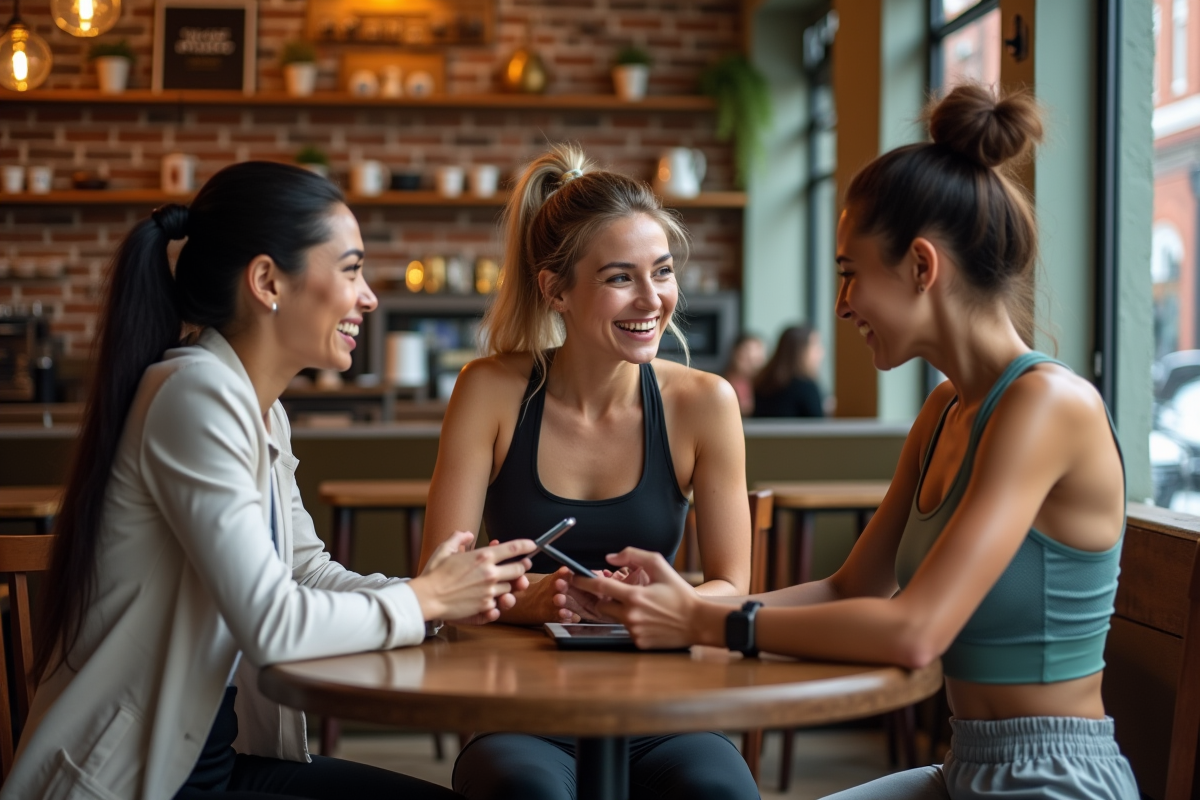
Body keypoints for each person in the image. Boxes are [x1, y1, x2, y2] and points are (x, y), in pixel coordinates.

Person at [572, 85, 1138, 800]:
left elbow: (915, 632)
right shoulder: (941, 412)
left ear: (922, 267)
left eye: (850, 274)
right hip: (966, 768)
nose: (841, 305)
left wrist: (706, 620)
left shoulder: (1046, 404)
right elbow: (851, 586)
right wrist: (685, 604)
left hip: (1052, 779)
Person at [3, 162, 536, 800]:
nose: (368, 296)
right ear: (267, 281)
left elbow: (304, 573)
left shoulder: (259, 410)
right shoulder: (194, 395)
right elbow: (272, 624)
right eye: (350, 269)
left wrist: (439, 594)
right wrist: (427, 601)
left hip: (209, 764)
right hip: (136, 782)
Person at [419, 144, 760, 800]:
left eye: (661, 272)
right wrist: (530, 600)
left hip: (665, 711)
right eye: (619, 278)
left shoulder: (705, 403)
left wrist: (661, 600)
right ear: (557, 290)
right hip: (520, 712)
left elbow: (731, 587)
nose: (652, 298)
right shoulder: (488, 390)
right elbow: (438, 585)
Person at [753, 324, 825, 417]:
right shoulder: (806, 387)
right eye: (816, 346)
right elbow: (819, 426)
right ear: (801, 350)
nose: (821, 352)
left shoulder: (762, 383)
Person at [723, 332, 765, 416]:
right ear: (735, 353)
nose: (752, 359)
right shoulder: (725, 384)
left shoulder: (763, 385)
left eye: (758, 352)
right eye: (746, 351)